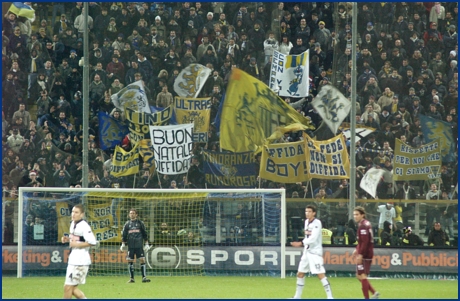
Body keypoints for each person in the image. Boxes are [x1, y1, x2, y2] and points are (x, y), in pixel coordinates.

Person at [290, 205, 333, 299]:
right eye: (306, 211)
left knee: (320, 274)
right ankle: (297, 297)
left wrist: (300, 243)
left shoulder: (317, 223)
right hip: (307, 252)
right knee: (300, 273)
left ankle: (330, 297)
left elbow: (313, 238)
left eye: (309, 211)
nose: (307, 213)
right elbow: (307, 237)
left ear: (314, 213)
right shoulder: (306, 222)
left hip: (315, 252)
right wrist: (304, 245)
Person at [60, 204, 97, 299]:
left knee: (68, 287)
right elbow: (77, 239)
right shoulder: (73, 224)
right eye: (73, 212)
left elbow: (92, 242)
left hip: (80, 262)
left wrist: (76, 245)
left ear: (82, 215)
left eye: (76, 212)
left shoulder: (84, 226)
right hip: (73, 260)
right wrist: (67, 239)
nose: (73, 214)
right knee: (71, 288)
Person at [352, 206, 379, 299]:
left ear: (362, 215)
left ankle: (367, 297)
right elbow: (362, 241)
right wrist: (357, 249)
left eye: (357, 214)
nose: (355, 216)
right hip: (367, 252)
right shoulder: (366, 223)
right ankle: (374, 293)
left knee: (362, 275)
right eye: (354, 214)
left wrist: (360, 254)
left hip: (365, 253)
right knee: (358, 275)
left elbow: (365, 241)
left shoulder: (363, 225)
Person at [120, 208, 151, 283]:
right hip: (130, 246)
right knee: (130, 261)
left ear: (136, 214)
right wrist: (123, 243)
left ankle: (144, 278)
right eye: (130, 213)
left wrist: (146, 243)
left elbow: (144, 233)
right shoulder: (127, 224)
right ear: (129, 215)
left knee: (142, 260)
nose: (132, 214)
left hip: (139, 245)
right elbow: (124, 234)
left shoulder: (140, 223)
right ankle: (132, 278)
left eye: (133, 213)